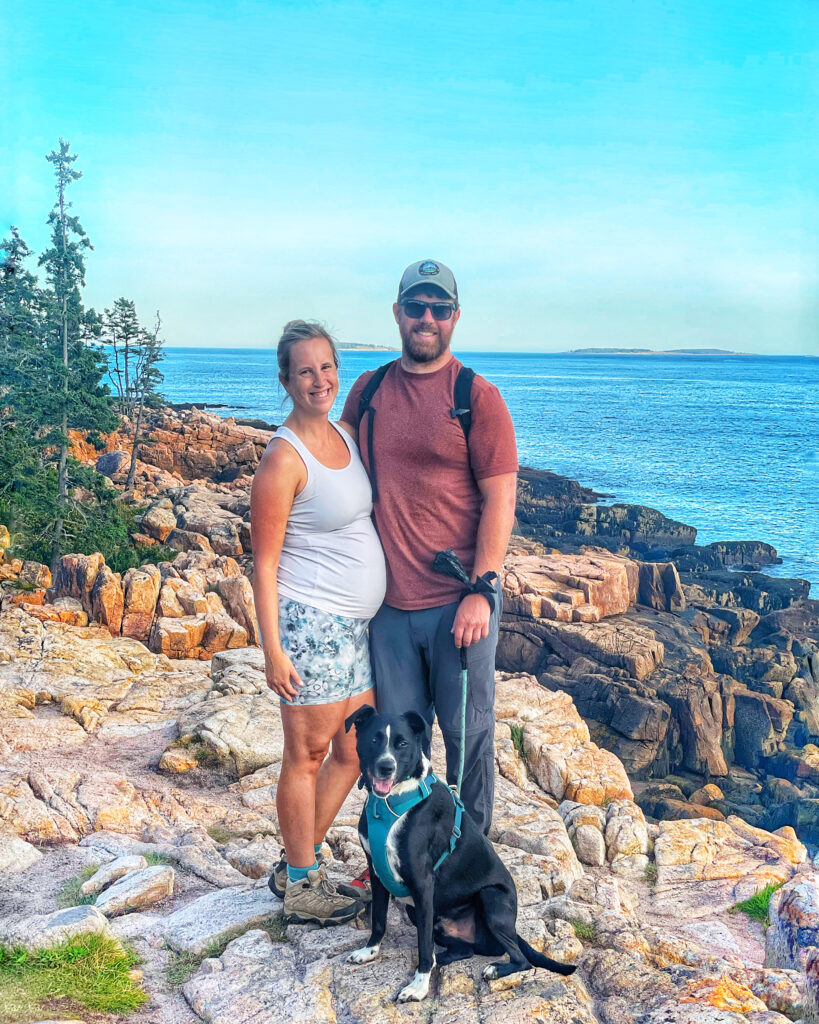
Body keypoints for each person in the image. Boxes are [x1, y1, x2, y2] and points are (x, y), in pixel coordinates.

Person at [341, 260, 518, 835]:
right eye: (415, 307)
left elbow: (500, 501)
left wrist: (482, 592)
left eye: (439, 309)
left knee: (468, 746)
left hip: (458, 608)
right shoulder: (367, 392)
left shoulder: (476, 397)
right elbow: (333, 469)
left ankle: (465, 860)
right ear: (397, 314)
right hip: (388, 612)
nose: (426, 318)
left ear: (454, 318)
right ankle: (400, 857)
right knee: (397, 750)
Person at [251, 319, 386, 925]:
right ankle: (304, 884)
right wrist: (272, 649)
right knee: (305, 753)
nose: (319, 380)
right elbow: (264, 563)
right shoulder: (283, 459)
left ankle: (295, 860)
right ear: (286, 380)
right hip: (311, 626)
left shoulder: (346, 436)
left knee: (353, 752)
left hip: (355, 630)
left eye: (326, 367)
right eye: (304, 370)